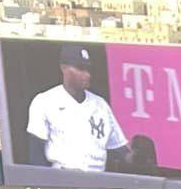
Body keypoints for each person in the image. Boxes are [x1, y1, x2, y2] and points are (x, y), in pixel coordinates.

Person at [24, 44, 130, 174]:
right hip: (62, 178)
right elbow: (36, 155)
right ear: (63, 68)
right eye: (80, 68)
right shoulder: (45, 101)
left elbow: (118, 149)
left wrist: (136, 156)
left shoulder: (101, 105)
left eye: (88, 69)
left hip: (98, 179)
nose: (86, 74)